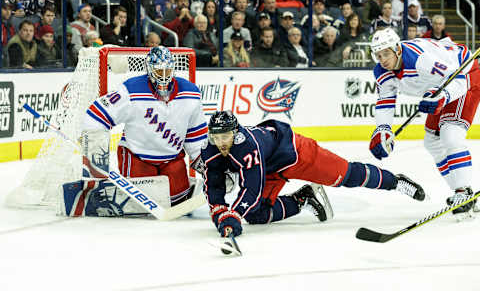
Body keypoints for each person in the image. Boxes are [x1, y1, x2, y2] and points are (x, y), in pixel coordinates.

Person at [200, 111, 425, 238]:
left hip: (297, 154)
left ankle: (395, 182)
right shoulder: (211, 146)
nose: (220, 143)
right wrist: (218, 210)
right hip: (270, 167)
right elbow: (213, 181)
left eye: (225, 137)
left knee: (347, 176)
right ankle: (303, 199)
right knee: (256, 215)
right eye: (216, 137)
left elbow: (252, 188)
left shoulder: (246, 146)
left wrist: (233, 215)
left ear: (236, 133)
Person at [369, 27, 480, 216]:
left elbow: (458, 79)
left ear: (397, 49)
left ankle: (464, 191)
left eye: (386, 53)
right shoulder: (382, 72)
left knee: (451, 135)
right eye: (378, 56)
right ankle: (462, 194)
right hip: (440, 85)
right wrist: (383, 130)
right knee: (431, 142)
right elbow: (385, 102)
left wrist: (441, 96)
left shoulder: (420, 59)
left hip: (465, 75)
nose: (383, 60)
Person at [82, 46, 207, 206]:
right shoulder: (131, 90)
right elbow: (96, 114)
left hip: (171, 159)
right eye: (158, 71)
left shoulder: (191, 94)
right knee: (138, 204)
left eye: (167, 71)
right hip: (137, 157)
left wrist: (209, 169)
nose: (163, 77)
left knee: (178, 201)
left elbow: (195, 138)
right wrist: (95, 158)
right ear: (149, 69)